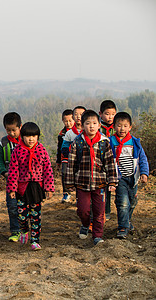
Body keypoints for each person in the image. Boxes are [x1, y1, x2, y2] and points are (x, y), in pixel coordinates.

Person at [66, 110, 118, 245]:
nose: (91, 126)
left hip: (100, 184)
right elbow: (71, 164)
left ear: (99, 125)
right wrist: (70, 183)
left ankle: (97, 236)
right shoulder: (78, 142)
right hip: (82, 183)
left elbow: (110, 163)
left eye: (94, 123)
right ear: (82, 126)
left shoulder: (104, 142)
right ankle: (85, 224)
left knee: (99, 212)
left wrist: (112, 181)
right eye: (88, 124)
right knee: (83, 210)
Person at [7, 122, 54, 251]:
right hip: (22, 188)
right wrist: (12, 188)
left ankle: (35, 240)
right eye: (28, 136)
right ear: (22, 137)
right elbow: (13, 171)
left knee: (35, 215)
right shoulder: (17, 150)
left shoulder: (41, 150)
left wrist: (49, 187)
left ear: (38, 136)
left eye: (34, 136)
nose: (31, 139)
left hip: (36, 187)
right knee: (22, 215)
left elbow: (48, 169)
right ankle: (23, 230)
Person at [109, 112, 149, 239]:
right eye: (119, 126)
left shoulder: (135, 142)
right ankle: (123, 227)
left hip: (133, 177)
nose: (122, 129)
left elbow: (142, 158)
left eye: (125, 126)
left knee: (132, 202)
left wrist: (144, 173)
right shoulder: (111, 142)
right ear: (114, 127)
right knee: (123, 203)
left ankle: (127, 221)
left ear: (130, 127)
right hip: (119, 178)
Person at [0, 112, 22, 242]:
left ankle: (26, 229)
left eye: (14, 130)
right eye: (8, 130)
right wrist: (4, 172)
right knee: (12, 206)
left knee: (26, 205)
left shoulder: (27, 140)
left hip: (26, 181)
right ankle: (15, 231)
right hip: (10, 180)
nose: (11, 133)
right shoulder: (3, 142)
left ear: (20, 127)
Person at [99, 99, 117, 220]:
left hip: (115, 161)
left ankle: (108, 210)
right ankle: (102, 211)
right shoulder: (98, 127)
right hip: (100, 160)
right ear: (100, 114)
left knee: (111, 186)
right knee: (102, 187)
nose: (110, 117)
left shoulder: (116, 127)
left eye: (112, 114)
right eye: (107, 114)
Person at [57, 109, 75, 203]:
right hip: (65, 157)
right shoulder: (62, 134)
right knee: (64, 173)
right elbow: (59, 147)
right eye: (66, 121)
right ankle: (66, 193)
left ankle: (78, 195)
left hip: (76, 158)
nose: (68, 123)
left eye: (70, 120)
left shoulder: (78, 132)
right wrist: (58, 161)